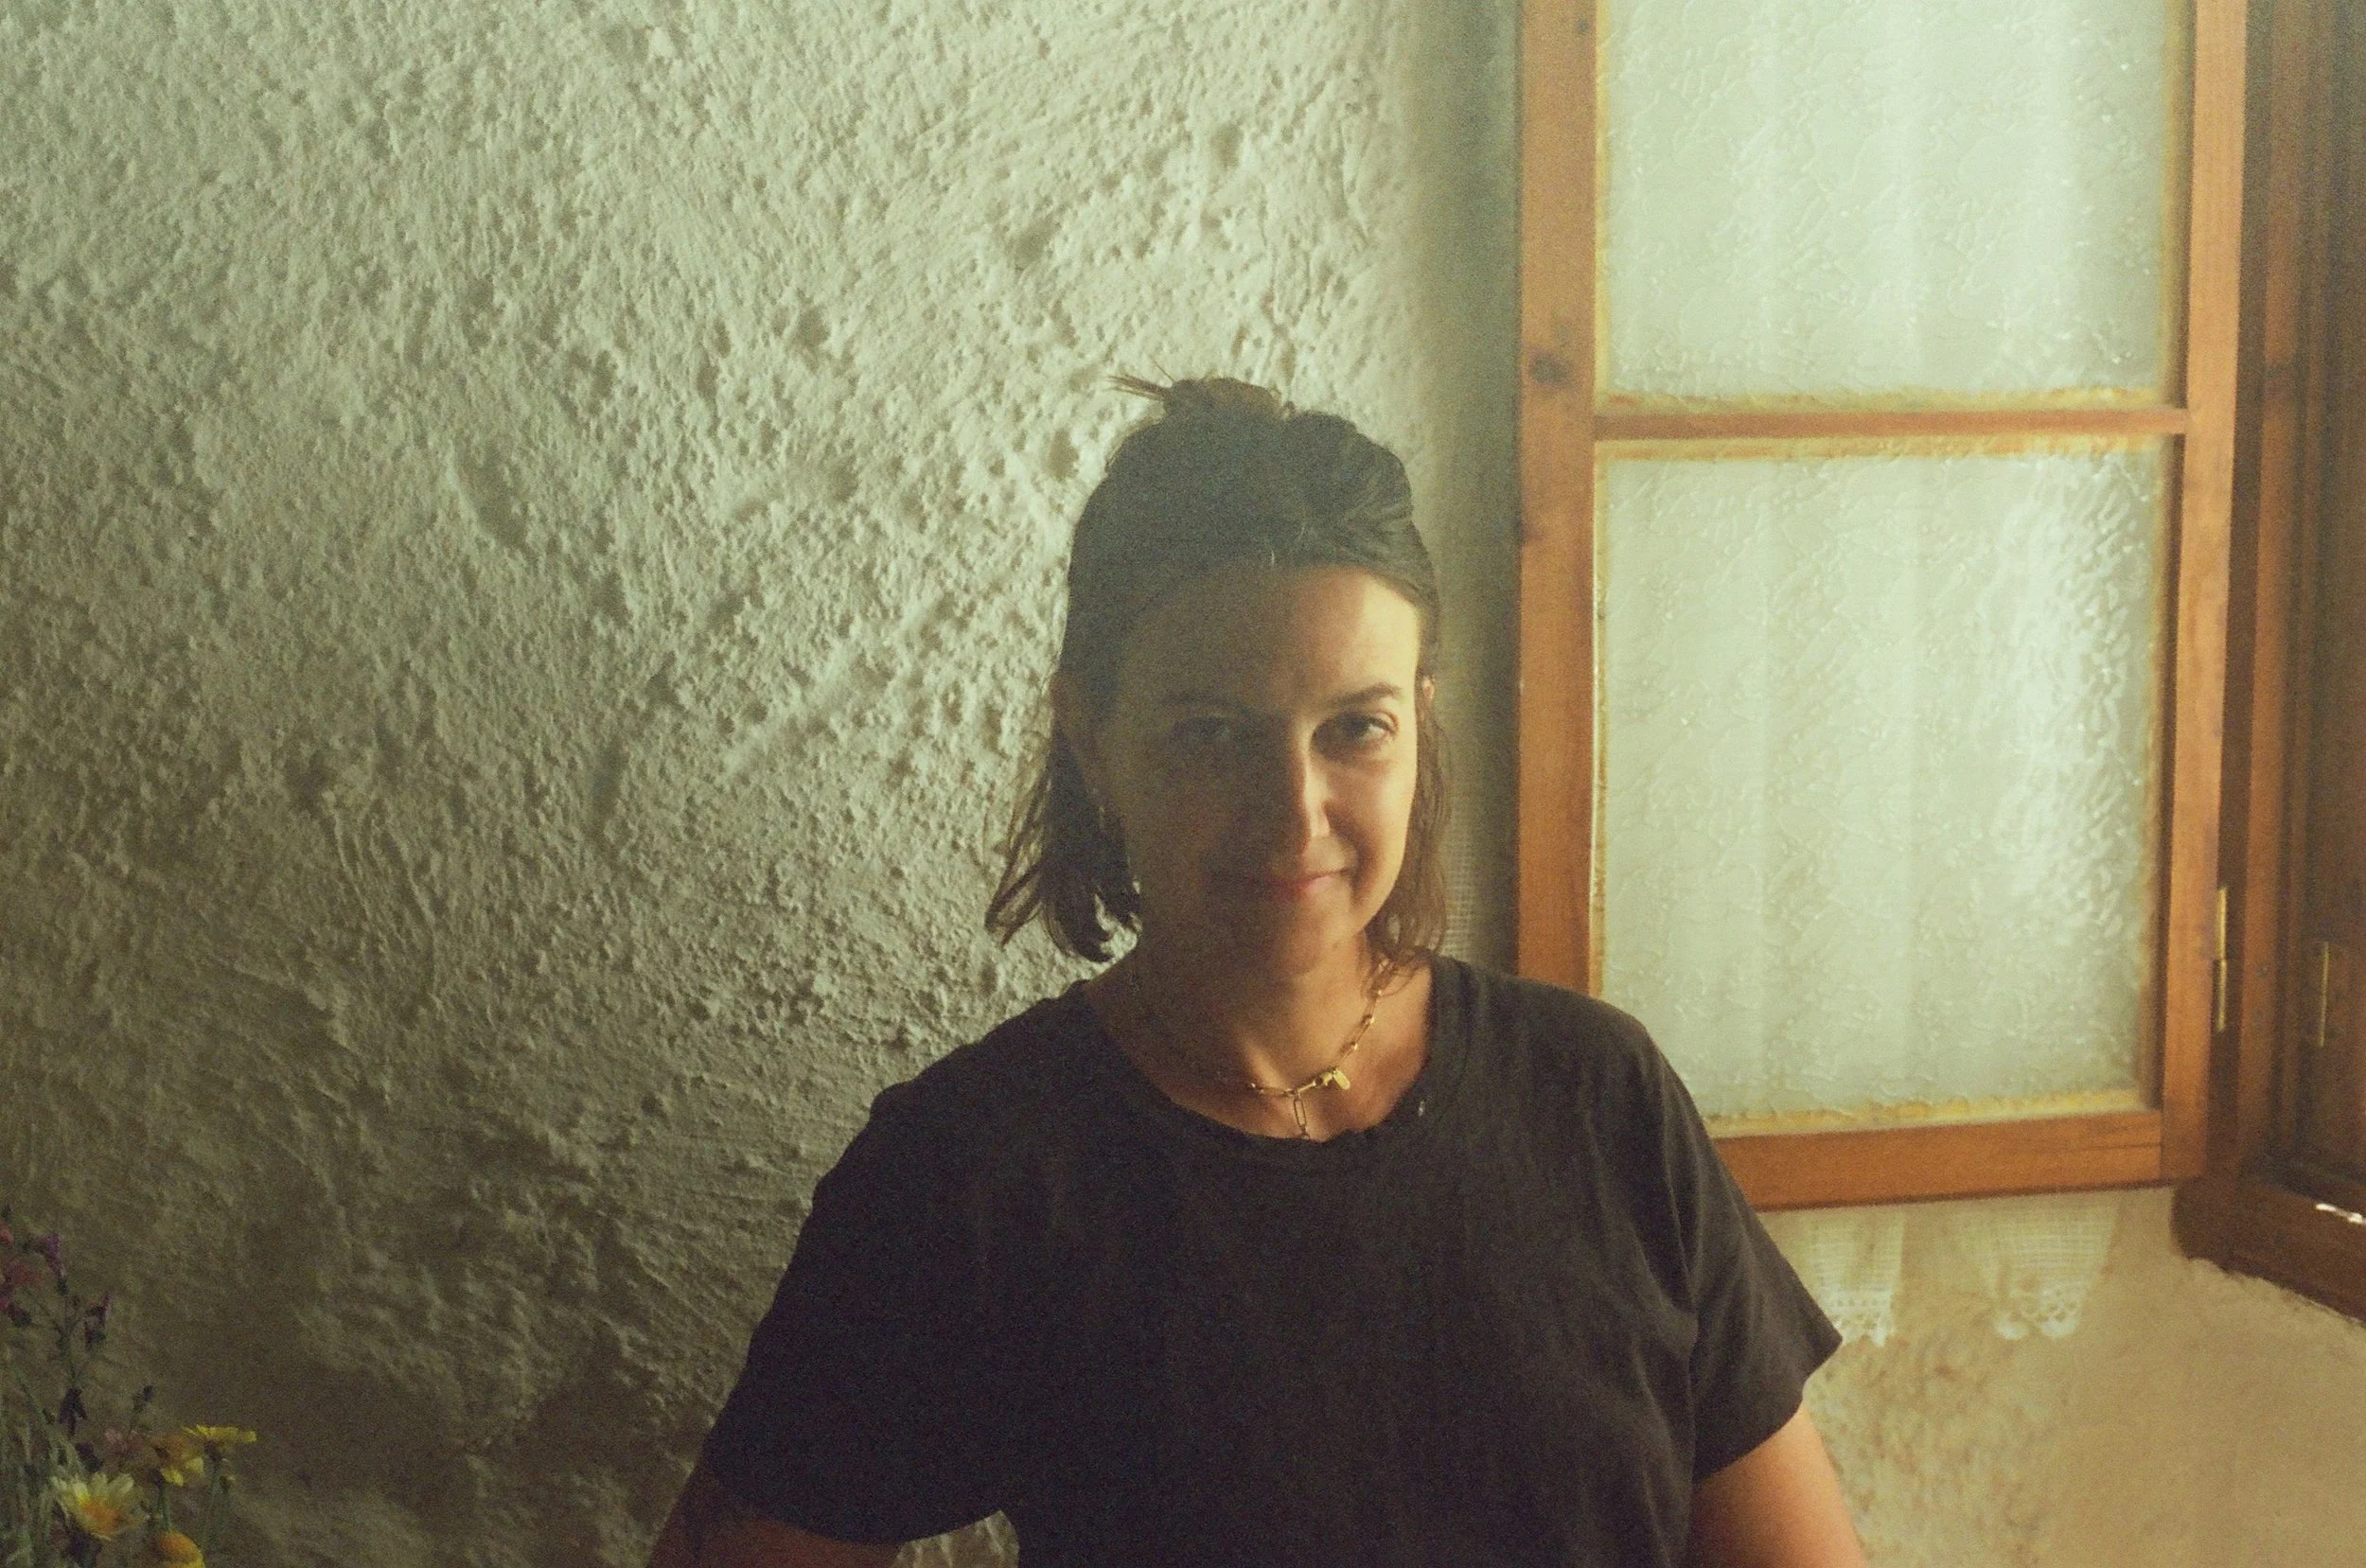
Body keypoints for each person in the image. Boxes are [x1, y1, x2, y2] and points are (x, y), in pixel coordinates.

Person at [648, 378, 1865, 1567]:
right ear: (1090, 737)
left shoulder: (1596, 1092)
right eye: (1210, 734)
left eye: (1355, 728)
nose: (1294, 812)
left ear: (1418, 721)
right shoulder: (972, 1172)